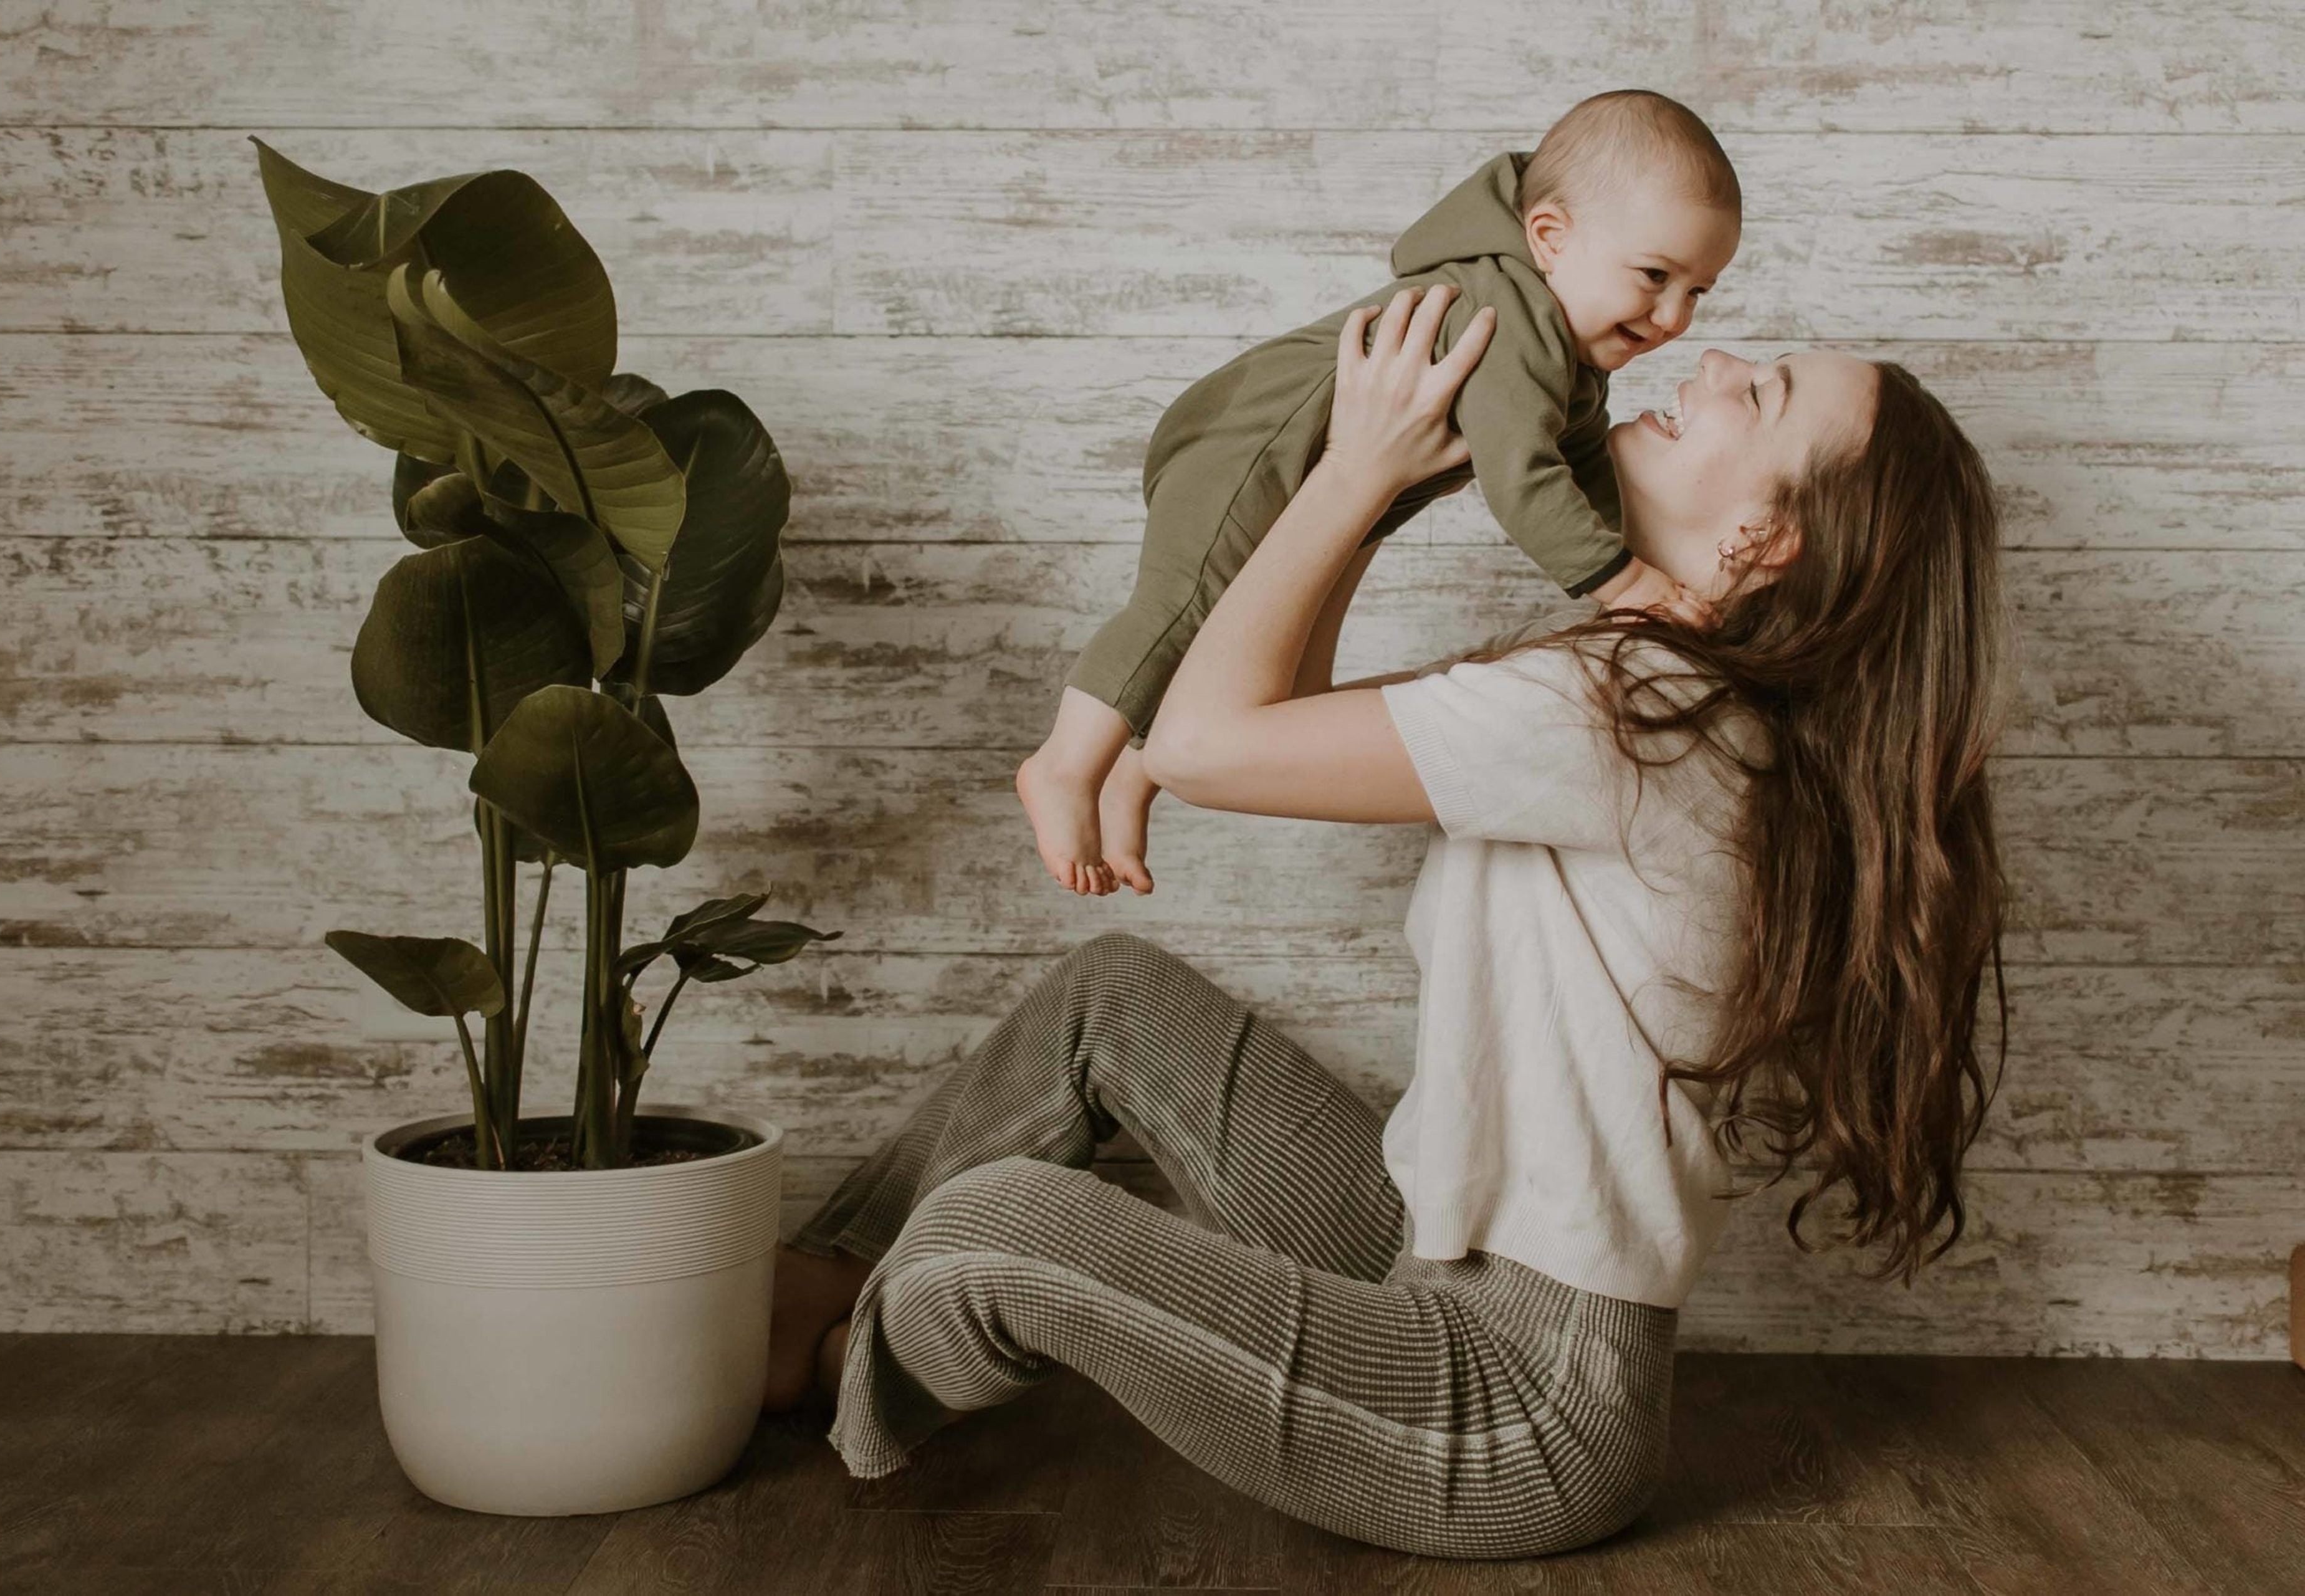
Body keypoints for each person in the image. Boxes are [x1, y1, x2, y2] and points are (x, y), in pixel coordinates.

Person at [763, 284, 2011, 1560]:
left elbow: (1203, 742)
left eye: (1765, 394)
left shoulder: (1627, 718)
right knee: (1112, 1001)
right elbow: (1282, 705)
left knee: (999, 1228)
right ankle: (807, 1284)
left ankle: (810, 1368)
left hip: (1521, 1403)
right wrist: (1389, 473)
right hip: (1432, 1250)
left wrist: (1355, 472)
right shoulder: (1641, 693)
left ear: (1763, 536)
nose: (1719, 361)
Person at [1017, 90, 1740, 899]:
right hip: (1249, 442)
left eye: (1698, 292)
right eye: (1655, 276)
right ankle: (1062, 764)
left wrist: (1647, 578)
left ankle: (1131, 771)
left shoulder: (1573, 367)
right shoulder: (1509, 319)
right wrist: (1628, 583)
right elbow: (1524, 483)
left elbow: (1585, 476)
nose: (1675, 317)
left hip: (1325, 471)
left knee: (1247, 651)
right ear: (1550, 238)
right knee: (1178, 605)